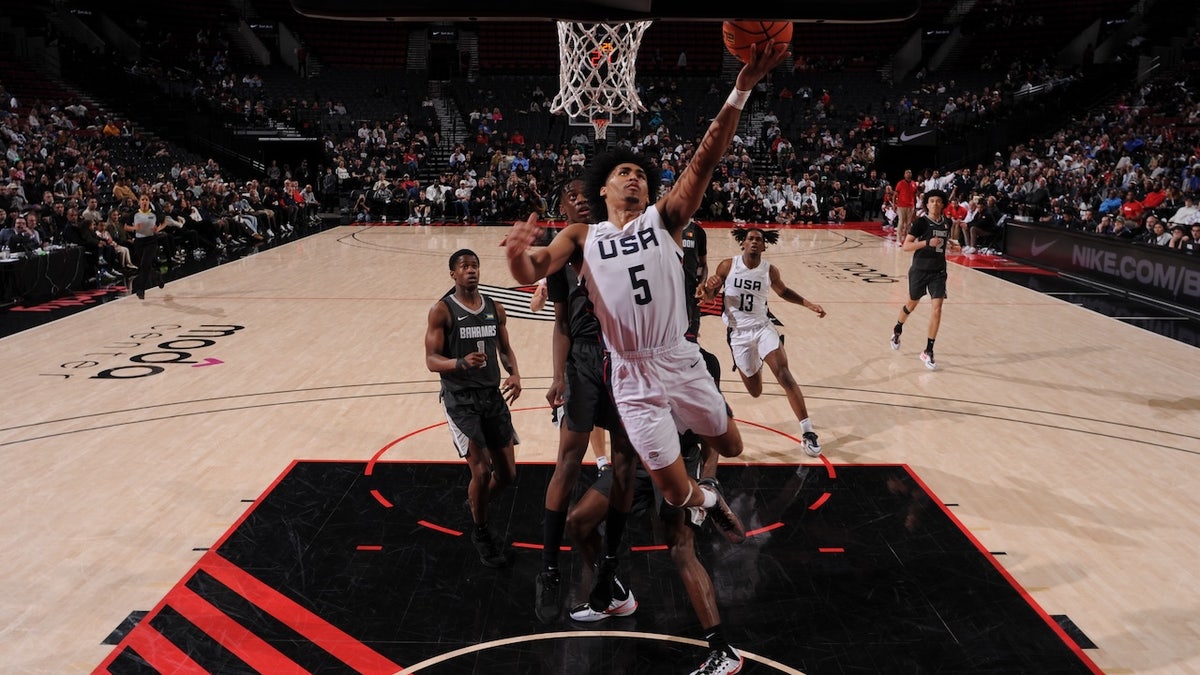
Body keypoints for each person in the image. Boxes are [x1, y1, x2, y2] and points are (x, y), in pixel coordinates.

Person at [507, 40, 788, 639]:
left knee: (734, 446)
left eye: (639, 172)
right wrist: (516, 258)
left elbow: (706, 159)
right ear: (603, 189)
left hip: (681, 358)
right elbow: (535, 267)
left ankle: (709, 490)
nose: (634, 177)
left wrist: (741, 89)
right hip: (630, 374)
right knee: (670, 489)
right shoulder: (582, 235)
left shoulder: (665, 219)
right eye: (622, 173)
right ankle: (708, 503)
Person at [565, 350, 745, 675]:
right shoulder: (630, 358)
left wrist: (709, 480)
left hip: (680, 462)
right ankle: (617, 597)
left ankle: (723, 650)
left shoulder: (703, 361)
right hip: (635, 462)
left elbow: (715, 434)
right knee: (578, 522)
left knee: (681, 549)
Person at [534, 178, 638, 624]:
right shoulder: (559, 253)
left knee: (623, 465)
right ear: (561, 207)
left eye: (582, 192)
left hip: (623, 359)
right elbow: (560, 322)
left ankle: (610, 562)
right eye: (568, 196)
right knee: (567, 461)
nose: (577, 198)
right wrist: (557, 376)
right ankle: (550, 570)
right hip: (581, 359)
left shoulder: (619, 238)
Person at [424, 249, 522, 568]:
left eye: (475, 265)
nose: (471, 270)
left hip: (491, 396)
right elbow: (431, 360)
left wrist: (515, 373)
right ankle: (481, 532)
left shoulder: (495, 307)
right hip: (461, 401)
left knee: (507, 474)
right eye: (464, 267)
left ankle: (475, 503)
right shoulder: (442, 311)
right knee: (481, 471)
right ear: (453, 274)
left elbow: (504, 349)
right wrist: (460, 363)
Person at [701, 227, 827, 457]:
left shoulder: (769, 270)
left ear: (764, 245)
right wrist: (708, 289)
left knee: (784, 374)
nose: (754, 242)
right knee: (755, 391)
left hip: (762, 328)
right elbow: (710, 296)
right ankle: (757, 362)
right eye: (750, 239)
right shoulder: (728, 266)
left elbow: (784, 292)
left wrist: (808, 304)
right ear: (743, 243)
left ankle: (808, 431)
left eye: (759, 239)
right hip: (738, 334)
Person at [889, 189, 960, 370]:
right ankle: (898, 328)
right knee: (911, 305)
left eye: (938, 201)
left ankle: (928, 350)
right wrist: (927, 243)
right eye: (931, 201)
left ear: (943, 204)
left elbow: (942, 242)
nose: (935, 204)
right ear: (926, 204)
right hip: (920, 270)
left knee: (937, 309)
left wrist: (951, 244)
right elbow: (906, 246)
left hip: (938, 272)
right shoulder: (921, 223)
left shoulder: (946, 222)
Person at [124, 194, 167, 300]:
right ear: (139, 202)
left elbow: (165, 222)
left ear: (149, 202)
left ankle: (140, 290)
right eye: (142, 199)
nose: (144, 201)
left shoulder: (154, 213)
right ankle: (157, 276)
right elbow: (125, 227)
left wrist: (159, 228)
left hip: (151, 241)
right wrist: (134, 227)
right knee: (145, 265)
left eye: (146, 200)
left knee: (144, 263)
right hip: (139, 242)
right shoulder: (134, 213)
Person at [680, 218, 708, 342]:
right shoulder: (662, 229)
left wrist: (702, 284)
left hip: (691, 292)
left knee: (691, 340)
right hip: (667, 292)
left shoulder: (698, 231)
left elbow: (703, 265)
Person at [894, 168, 919, 242]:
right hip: (901, 205)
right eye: (907, 173)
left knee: (908, 224)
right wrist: (894, 205)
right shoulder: (900, 183)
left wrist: (915, 206)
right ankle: (898, 240)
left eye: (910, 172)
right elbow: (895, 194)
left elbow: (914, 196)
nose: (908, 174)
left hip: (911, 206)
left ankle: (906, 239)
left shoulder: (914, 183)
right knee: (901, 222)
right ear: (904, 175)